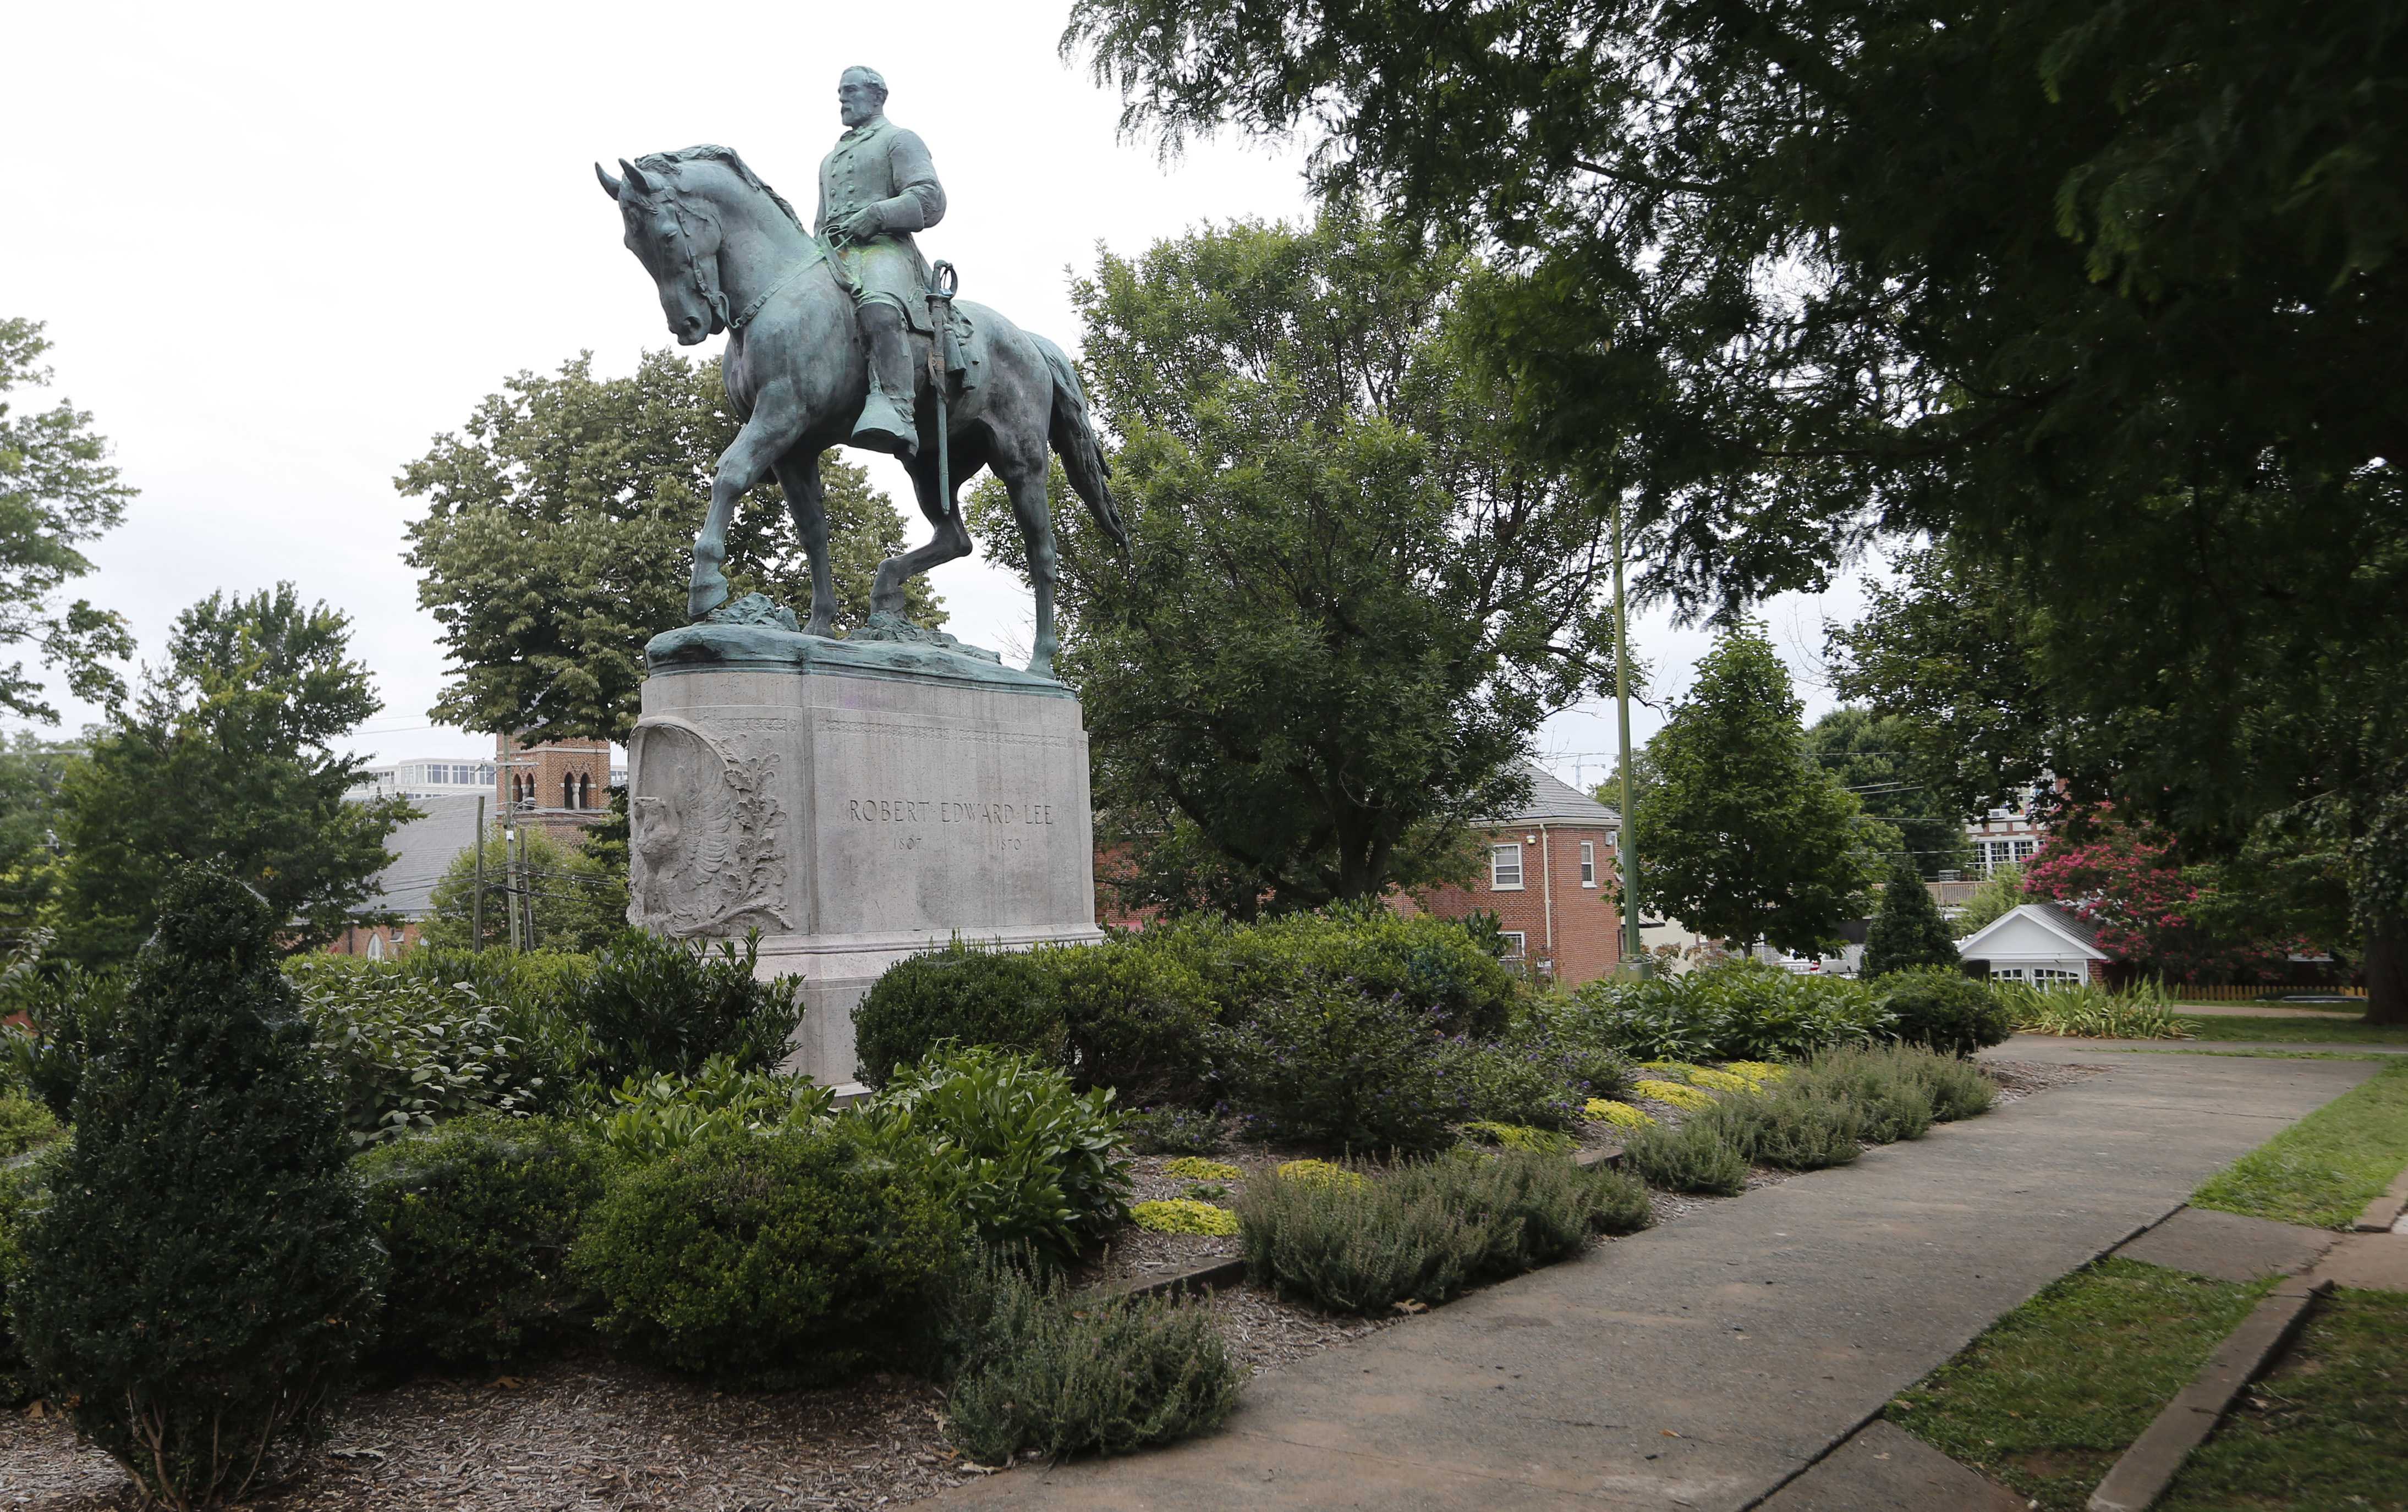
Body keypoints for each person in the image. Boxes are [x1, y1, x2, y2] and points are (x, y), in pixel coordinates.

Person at [817, 65, 945, 458]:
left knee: (878, 303)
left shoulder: (899, 140)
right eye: (840, 92)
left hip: (885, 248)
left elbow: (930, 199)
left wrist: (878, 215)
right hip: (834, 252)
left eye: (850, 91)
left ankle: (896, 405)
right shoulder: (830, 159)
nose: (842, 99)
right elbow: (821, 220)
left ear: (878, 96)